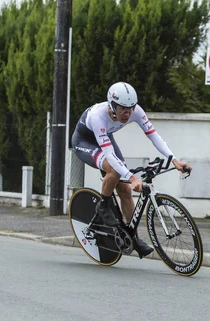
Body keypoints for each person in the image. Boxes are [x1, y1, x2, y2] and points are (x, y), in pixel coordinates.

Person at [71, 81, 192, 257]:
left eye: (131, 108)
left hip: (105, 138)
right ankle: (103, 206)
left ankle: (132, 238)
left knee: (126, 190)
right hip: (84, 141)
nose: (127, 114)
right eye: (122, 109)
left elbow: (153, 136)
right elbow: (110, 155)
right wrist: (132, 177)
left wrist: (173, 159)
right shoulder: (99, 116)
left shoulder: (136, 112)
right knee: (113, 169)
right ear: (112, 105)